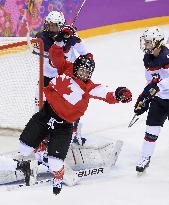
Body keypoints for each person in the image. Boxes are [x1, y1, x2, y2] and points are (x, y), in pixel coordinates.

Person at [3, 43, 132, 195]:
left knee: (55, 164)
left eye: (88, 71)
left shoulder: (89, 87)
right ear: (76, 67)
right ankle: (42, 145)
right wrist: (59, 42)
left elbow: (107, 94)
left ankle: (58, 176)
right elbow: (55, 55)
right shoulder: (66, 68)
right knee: (24, 148)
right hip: (46, 114)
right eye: (82, 69)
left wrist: (119, 94)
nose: (84, 73)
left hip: (63, 126)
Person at [35, 10, 90, 146]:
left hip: (65, 79)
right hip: (46, 78)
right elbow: (54, 59)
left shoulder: (72, 37)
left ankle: (74, 132)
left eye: (55, 25)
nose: (51, 28)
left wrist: (72, 38)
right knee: (41, 107)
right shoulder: (41, 38)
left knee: (72, 105)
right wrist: (62, 42)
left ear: (61, 25)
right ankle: (43, 135)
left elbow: (87, 53)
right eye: (50, 24)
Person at [134, 26, 169, 173]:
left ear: (158, 43)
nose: (145, 44)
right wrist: (144, 97)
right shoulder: (148, 59)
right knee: (150, 131)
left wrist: (157, 87)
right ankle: (145, 157)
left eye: (148, 42)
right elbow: (150, 81)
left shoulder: (167, 57)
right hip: (159, 100)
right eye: (145, 41)